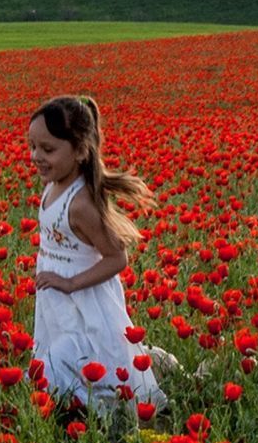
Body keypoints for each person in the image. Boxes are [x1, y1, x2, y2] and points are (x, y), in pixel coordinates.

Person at [29, 95, 166, 414]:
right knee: (63, 360)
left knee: (82, 360)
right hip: (59, 301)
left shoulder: (81, 204)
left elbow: (117, 258)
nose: (36, 157)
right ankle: (77, 410)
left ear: (80, 151)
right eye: (33, 146)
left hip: (83, 301)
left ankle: (101, 416)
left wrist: (71, 283)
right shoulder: (53, 186)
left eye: (47, 149)